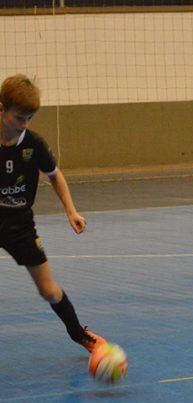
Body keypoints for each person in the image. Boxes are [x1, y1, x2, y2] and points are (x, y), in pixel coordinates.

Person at [0, 74, 106, 351]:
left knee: (48, 289)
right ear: (1, 108)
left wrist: (71, 211)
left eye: (29, 118)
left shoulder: (33, 145)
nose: (24, 124)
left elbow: (55, 176)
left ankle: (79, 334)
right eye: (19, 117)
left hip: (19, 224)